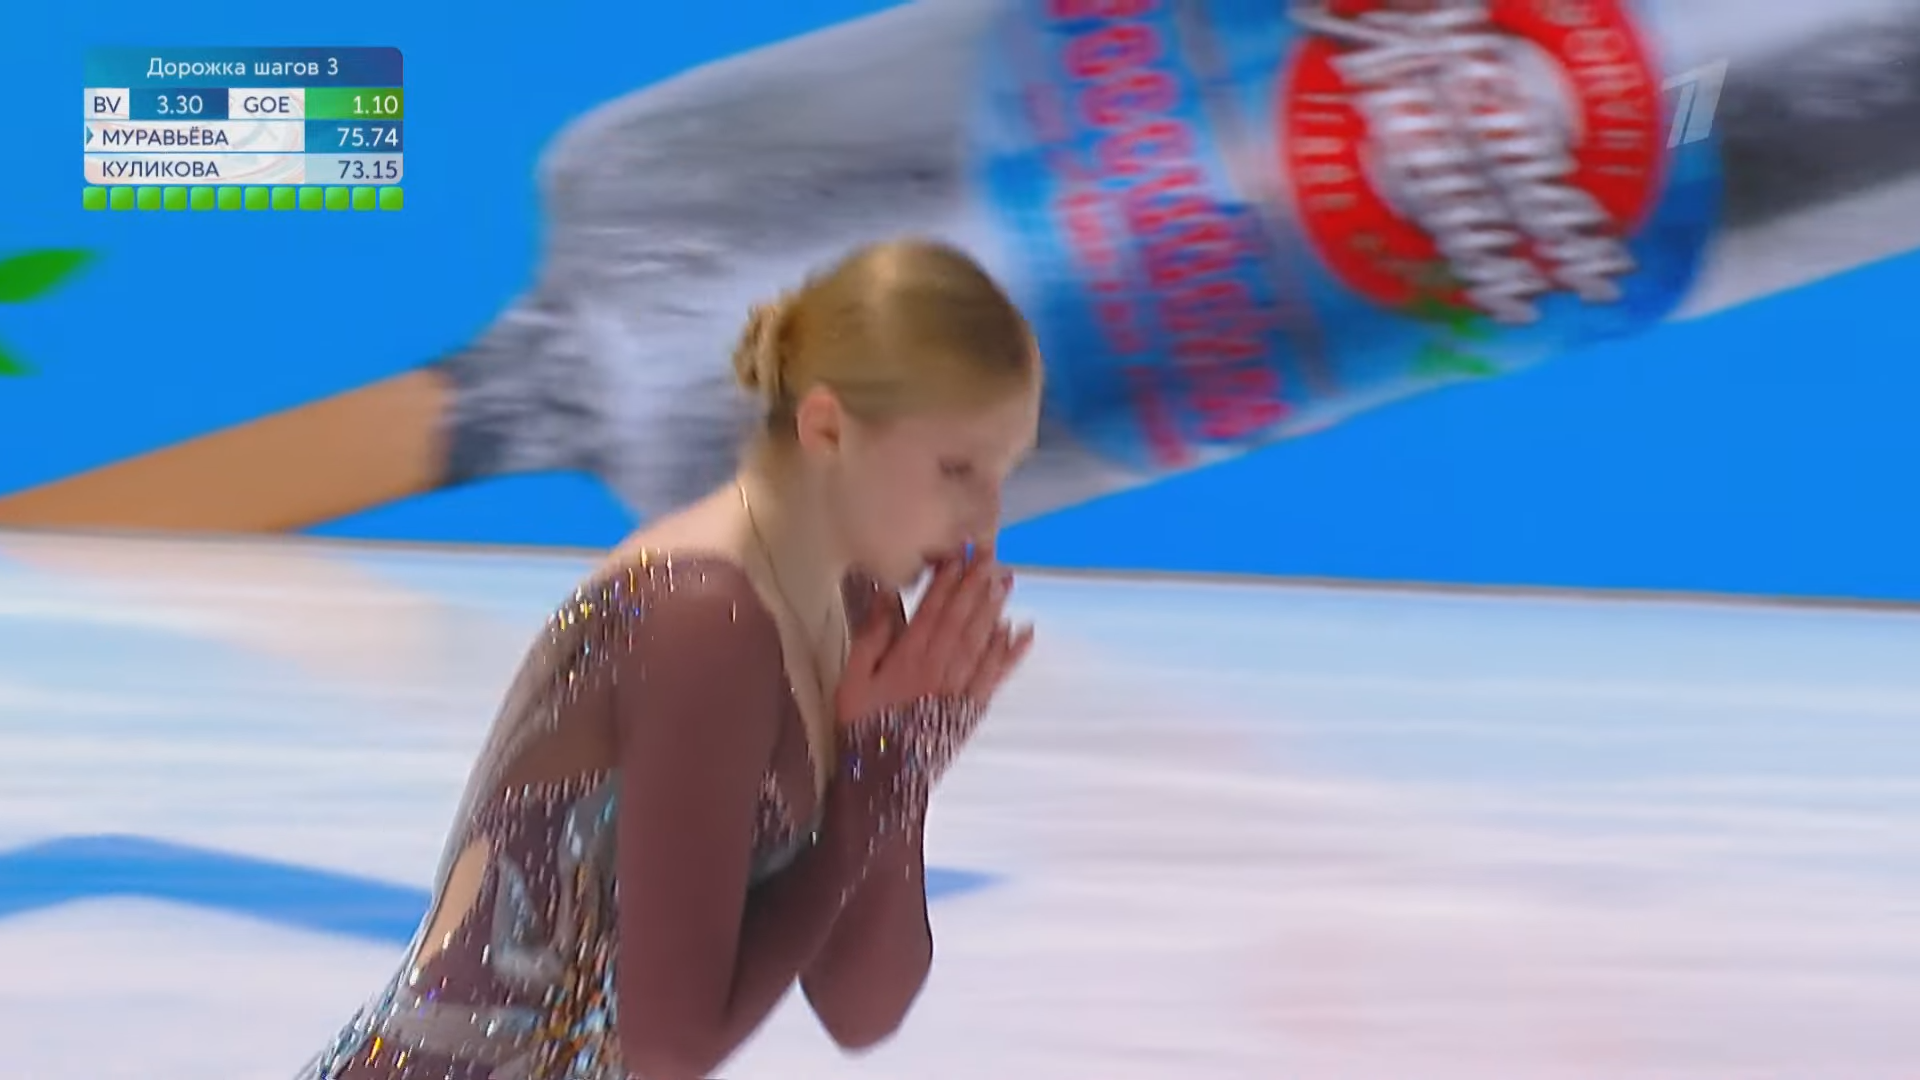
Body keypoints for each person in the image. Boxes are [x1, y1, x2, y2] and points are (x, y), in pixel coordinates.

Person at [295, 237, 1042, 1080]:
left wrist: (898, 764)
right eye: (957, 469)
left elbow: (862, 1008)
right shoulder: (700, 620)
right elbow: (670, 1048)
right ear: (828, 428)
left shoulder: (857, 608)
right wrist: (876, 783)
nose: (986, 519)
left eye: (1002, 474)